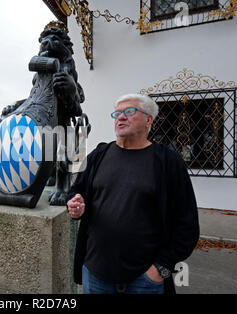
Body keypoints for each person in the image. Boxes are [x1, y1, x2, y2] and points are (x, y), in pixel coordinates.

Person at [66, 94, 200, 294]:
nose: (120, 117)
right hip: (95, 272)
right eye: (117, 113)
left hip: (144, 280)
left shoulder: (168, 162)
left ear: (148, 120)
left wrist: (161, 268)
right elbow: (77, 191)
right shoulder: (100, 155)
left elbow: (187, 224)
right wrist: (76, 203)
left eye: (129, 112)